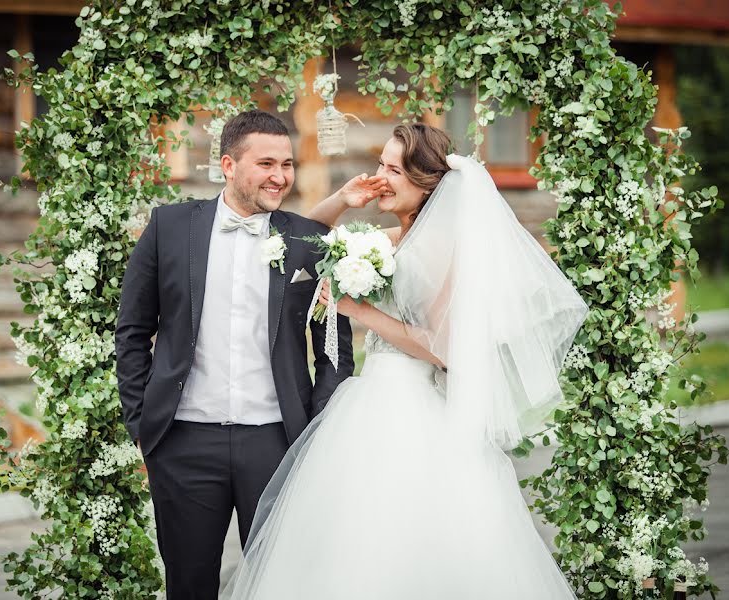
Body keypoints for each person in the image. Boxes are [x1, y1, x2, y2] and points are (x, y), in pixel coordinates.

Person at [222, 123, 590, 599]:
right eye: (381, 164)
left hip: (413, 407)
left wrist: (362, 312)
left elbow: (444, 348)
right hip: (371, 397)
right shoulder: (389, 238)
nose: (381, 177)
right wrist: (342, 198)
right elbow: (304, 238)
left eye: (394, 169)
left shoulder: (442, 248)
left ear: (426, 184)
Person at [115, 110, 372, 600]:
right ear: (228, 165)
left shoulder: (309, 240)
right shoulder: (168, 227)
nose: (280, 176)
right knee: (189, 587)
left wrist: (315, 433)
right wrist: (143, 425)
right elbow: (131, 332)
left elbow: (334, 351)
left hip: (276, 443)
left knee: (281, 585)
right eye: (266, 163)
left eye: (288, 164)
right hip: (184, 443)